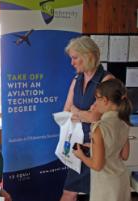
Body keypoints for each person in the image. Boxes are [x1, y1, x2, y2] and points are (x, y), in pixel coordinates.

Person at [60, 36, 114, 201]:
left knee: (76, 194)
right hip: (78, 145)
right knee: (72, 193)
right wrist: (85, 114)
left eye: (75, 58)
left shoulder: (107, 80)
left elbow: (96, 116)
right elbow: (66, 111)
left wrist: (79, 113)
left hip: (96, 146)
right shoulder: (77, 79)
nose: (72, 63)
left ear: (89, 55)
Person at [73, 79, 132, 201]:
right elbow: (124, 155)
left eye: (97, 99)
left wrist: (81, 156)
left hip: (106, 185)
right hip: (121, 180)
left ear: (105, 100)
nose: (95, 103)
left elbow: (97, 165)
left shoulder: (99, 128)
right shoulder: (124, 121)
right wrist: (94, 146)